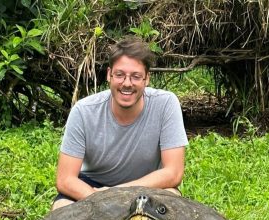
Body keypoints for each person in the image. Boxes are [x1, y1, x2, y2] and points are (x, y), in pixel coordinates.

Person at [52, 36, 188, 210]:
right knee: (62, 207)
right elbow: (65, 180)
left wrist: (117, 193)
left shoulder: (166, 104)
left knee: (172, 197)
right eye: (120, 75)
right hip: (91, 187)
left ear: (147, 78)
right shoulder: (84, 111)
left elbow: (173, 173)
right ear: (109, 75)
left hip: (147, 186)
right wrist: (101, 198)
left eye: (136, 76)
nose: (127, 83)